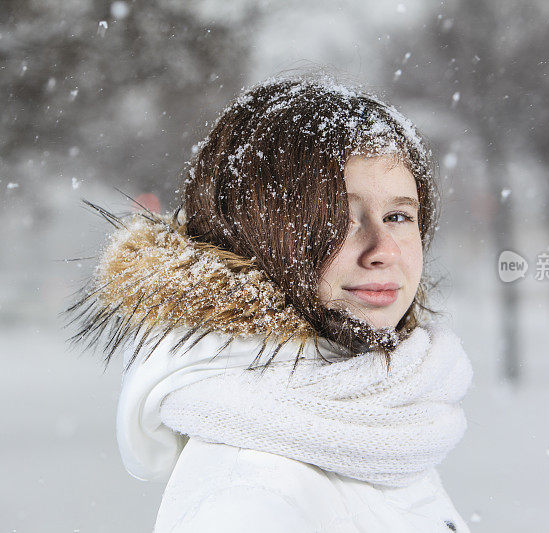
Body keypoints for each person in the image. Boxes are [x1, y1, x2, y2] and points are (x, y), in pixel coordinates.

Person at [65, 76, 474, 532]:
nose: (384, 248)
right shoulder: (252, 497)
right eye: (337, 217)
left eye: (398, 216)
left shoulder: (379, 425)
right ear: (259, 234)